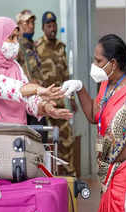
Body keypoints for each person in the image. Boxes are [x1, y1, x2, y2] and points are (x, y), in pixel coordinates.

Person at [62, 34, 126, 212]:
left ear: (113, 63)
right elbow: (93, 116)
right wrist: (80, 88)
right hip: (109, 174)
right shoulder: (106, 84)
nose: (94, 65)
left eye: (98, 60)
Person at [0, 17, 73, 125]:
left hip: (16, 136)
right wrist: (36, 89)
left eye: (17, 37)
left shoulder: (15, 67)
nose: (16, 42)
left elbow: (27, 100)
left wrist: (45, 107)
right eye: (11, 37)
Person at [36, 11, 78, 175]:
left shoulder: (62, 48)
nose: (52, 28)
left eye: (54, 25)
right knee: (42, 142)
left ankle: (69, 174)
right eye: (48, 26)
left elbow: (66, 76)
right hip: (43, 104)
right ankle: (45, 175)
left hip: (60, 103)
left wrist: (72, 98)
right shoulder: (36, 47)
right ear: (43, 28)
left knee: (66, 139)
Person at [15, 9, 48, 140]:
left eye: (33, 22)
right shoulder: (17, 46)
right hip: (27, 102)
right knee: (33, 141)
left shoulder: (32, 45)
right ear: (19, 25)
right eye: (27, 22)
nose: (31, 25)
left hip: (38, 99)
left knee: (42, 140)